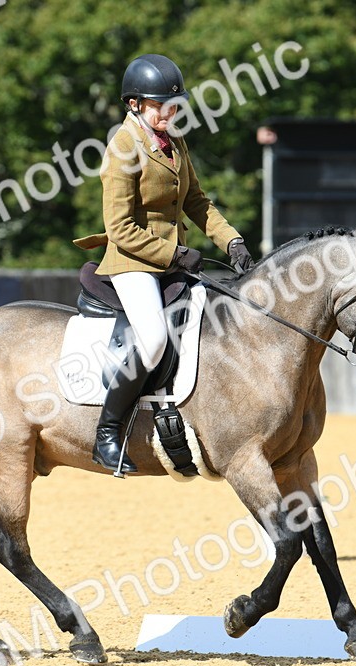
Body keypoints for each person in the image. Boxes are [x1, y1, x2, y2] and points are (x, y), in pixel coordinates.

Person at [74, 53, 254, 474]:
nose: (170, 112)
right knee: (153, 337)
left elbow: (196, 202)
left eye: (174, 106)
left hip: (175, 262)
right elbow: (119, 228)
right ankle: (108, 433)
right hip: (133, 261)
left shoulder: (174, 141)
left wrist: (233, 242)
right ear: (134, 104)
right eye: (161, 106)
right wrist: (173, 254)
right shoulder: (122, 148)